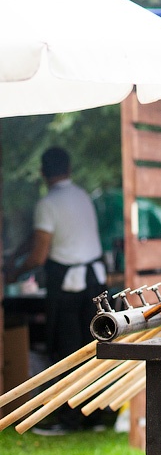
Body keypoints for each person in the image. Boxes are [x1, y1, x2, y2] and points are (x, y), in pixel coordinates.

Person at [3, 147, 108, 434]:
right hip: (94, 285)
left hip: (68, 288)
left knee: (66, 352)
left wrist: (11, 272)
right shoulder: (82, 196)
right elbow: (41, 236)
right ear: (69, 169)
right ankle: (94, 417)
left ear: (42, 173)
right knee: (93, 348)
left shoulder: (47, 203)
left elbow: (39, 255)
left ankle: (69, 420)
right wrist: (17, 253)